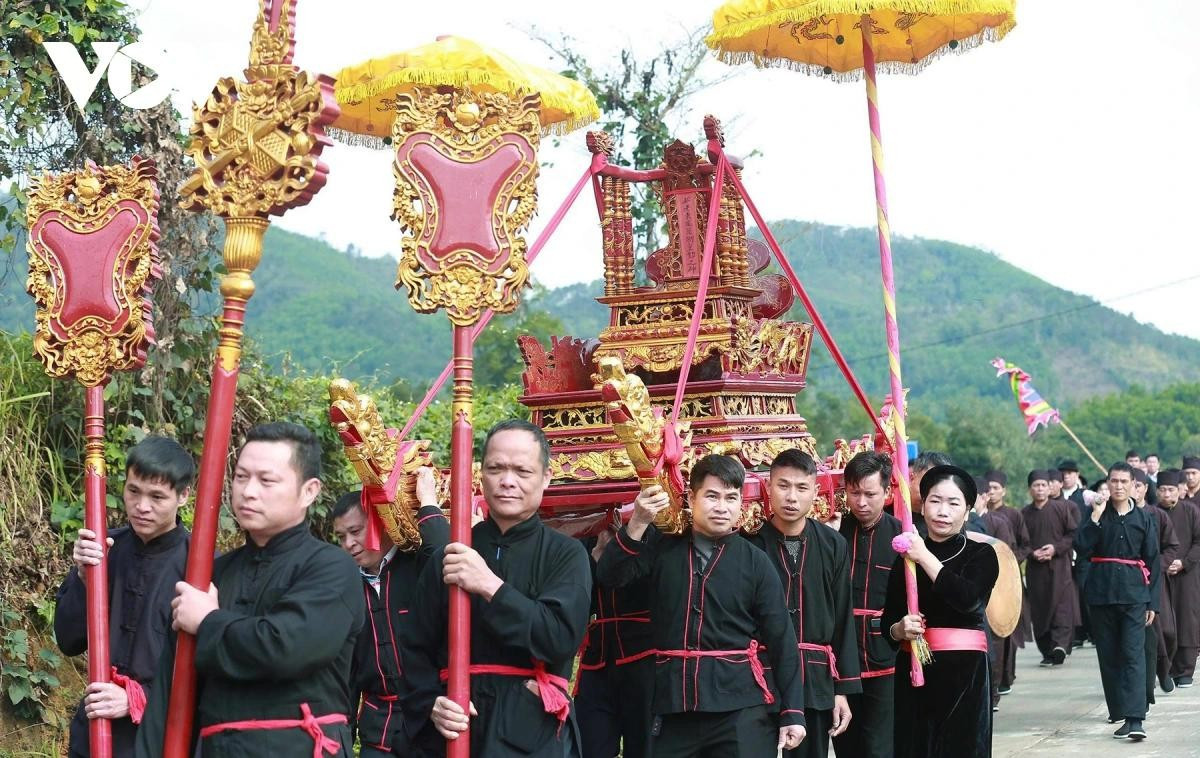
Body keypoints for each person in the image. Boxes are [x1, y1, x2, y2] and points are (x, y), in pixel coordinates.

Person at [135, 422, 365, 756]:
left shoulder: (331, 567)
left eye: (266, 480)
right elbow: (172, 692)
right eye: (241, 477)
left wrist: (209, 622)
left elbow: (286, 648)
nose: (248, 491)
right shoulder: (213, 574)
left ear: (309, 491)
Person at [597, 454, 807, 757]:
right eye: (712, 496)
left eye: (731, 498)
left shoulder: (756, 562)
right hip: (673, 707)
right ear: (691, 497)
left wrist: (793, 712)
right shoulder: (662, 548)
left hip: (740, 708)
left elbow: (782, 639)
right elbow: (610, 577)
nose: (722, 507)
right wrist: (639, 521)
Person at [403, 420, 591, 757]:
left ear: (546, 477)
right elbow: (414, 648)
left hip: (530, 729)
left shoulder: (566, 553)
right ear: (480, 474)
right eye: (496, 468)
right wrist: (430, 702)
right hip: (456, 725)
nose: (507, 481)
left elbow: (560, 638)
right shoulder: (452, 553)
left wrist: (490, 585)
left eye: (522, 470)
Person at [55, 436, 195, 758]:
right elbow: (68, 640)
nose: (142, 506)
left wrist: (137, 698)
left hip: (159, 739)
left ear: (183, 495)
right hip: (93, 733)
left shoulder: (200, 566)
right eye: (134, 491)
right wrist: (82, 577)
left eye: (157, 496)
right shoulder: (105, 550)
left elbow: (209, 670)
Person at [745, 449, 860, 758]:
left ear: (815, 492)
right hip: (760, 678)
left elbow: (843, 619)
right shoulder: (749, 544)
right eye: (783, 486)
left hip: (816, 680)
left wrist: (843, 690)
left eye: (801, 487)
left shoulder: (833, 543)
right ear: (768, 488)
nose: (791, 497)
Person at [882, 466, 999, 758]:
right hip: (915, 673)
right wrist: (900, 628)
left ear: (967, 510)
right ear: (922, 505)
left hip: (965, 675)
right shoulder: (905, 562)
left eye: (953, 503)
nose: (942, 511)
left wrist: (924, 556)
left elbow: (968, 599)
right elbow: (889, 624)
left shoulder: (981, 555)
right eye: (935, 501)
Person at [332, 469, 449, 757]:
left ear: (379, 523)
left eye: (356, 531)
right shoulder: (343, 586)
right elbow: (345, 671)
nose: (349, 544)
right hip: (378, 729)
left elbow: (443, 556)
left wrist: (428, 503)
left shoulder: (417, 567)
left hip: (431, 722)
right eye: (341, 536)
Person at [1074, 462, 1162, 741]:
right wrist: (1096, 519)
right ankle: (1122, 713)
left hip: (1135, 596)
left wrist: (1153, 603)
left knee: (1133, 654)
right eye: (1114, 481)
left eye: (1125, 481)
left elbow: (1153, 560)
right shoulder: (1096, 514)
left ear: (1134, 485)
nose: (1119, 486)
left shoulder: (1144, 518)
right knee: (1109, 657)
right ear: (1108, 483)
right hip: (1101, 594)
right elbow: (1082, 547)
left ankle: (1136, 719)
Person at [834, 451, 901, 758]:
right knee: (845, 744)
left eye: (870, 494)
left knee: (879, 747)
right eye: (854, 493)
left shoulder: (903, 536)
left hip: (884, 656)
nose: (861, 502)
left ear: (887, 493)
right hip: (840, 657)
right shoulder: (833, 533)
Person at [574, 529, 654, 758]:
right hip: (597, 661)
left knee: (646, 747)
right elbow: (576, 602)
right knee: (587, 747)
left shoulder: (657, 534)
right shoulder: (585, 534)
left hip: (646, 660)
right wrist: (596, 553)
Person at [1021, 470, 1079, 667]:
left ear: (1050, 487)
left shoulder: (1061, 509)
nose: (1040, 489)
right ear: (1030, 489)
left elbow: (1072, 534)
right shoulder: (1024, 514)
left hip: (1060, 567)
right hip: (1036, 571)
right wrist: (1032, 553)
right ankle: (1047, 651)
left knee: (1062, 607)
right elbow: (1021, 543)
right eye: (1036, 485)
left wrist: (1055, 548)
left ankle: (1060, 646)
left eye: (1043, 485)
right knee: (1040, 609)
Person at [983, 470, 1030, 695]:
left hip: (1003, 581)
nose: (992, 493)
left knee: (1002, 632)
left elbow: (1013, 549)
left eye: (994, 488)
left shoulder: (1006, 518)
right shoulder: (964, 520)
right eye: (988, 488)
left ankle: (1001, 681)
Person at [1135, 484, 1178, 704]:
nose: (1133, 489)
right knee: (1147, 632)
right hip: (1131, 582)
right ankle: (1153, 675)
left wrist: (1156, 565)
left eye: (1137, 485)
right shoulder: (1118, 516)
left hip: (1155, 580)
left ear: (1144, 489)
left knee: (1168, 631)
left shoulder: (1158, 515)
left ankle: (1165, 667)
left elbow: (1171, 546)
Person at [1158, 467, 1200, 689]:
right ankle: (1166, 668)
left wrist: (1183, 562)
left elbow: (1198, 542)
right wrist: (1164, 564)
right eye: (1163, 490)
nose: (1167, 494)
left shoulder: (1191, 511)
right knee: (1164, 622)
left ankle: (1185, 670)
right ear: (1156, 491)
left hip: (1188, 575)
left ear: (1180, 490)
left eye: (1171, 490)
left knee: (1187, 620)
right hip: (1161, 575)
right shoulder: (1153, 514)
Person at [907, 452, 952, 537]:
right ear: (912, 478)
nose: (931, 496)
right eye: (927, 486)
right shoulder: (890, 512)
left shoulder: (947, 521)